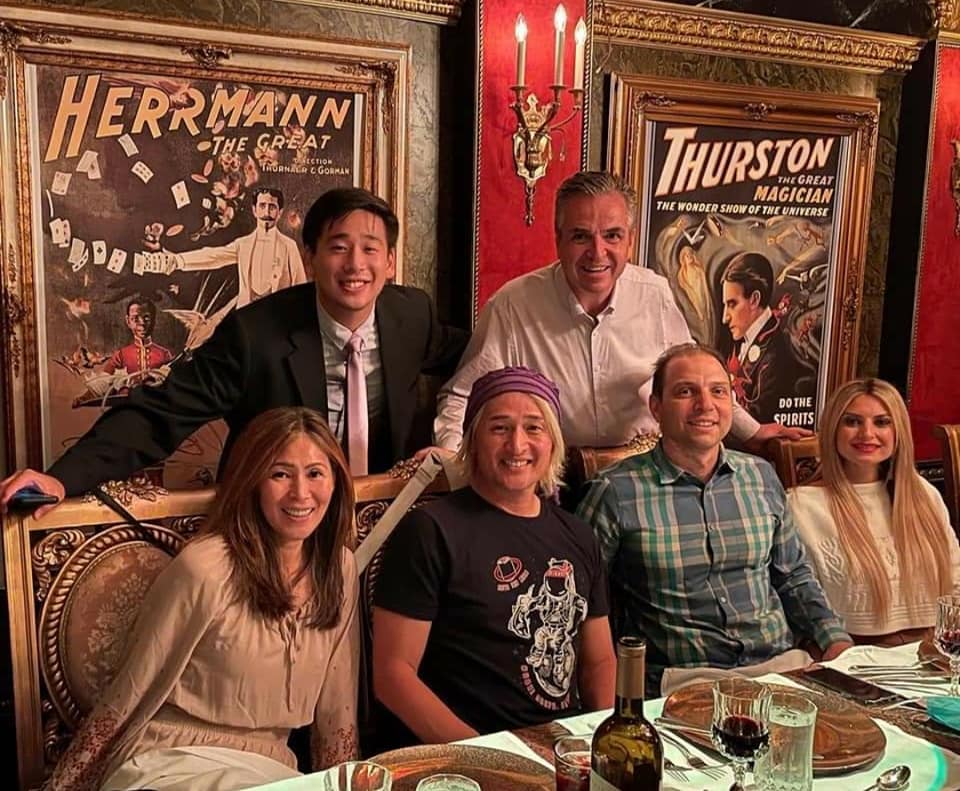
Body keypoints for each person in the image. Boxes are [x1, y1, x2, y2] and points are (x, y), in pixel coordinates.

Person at [1, 187, 469, 511]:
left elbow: (478, 361)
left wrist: (459, 450)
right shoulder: (254, 335)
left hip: (384, 520)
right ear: (309, 258)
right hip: (273, 527)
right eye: (338, 247)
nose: (355, 265)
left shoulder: (411, 316)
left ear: (391, 261)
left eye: (370, 249)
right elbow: (161, 413)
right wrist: (62, 478)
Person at [46, 407, 359, 791]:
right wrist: (69, 784)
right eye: (280, 474)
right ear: (253, 481)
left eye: (315, 473)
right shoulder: (206, 567)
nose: (300, 493)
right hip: (168, 759)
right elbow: (133, 688)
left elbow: (338, 709)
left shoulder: (339, 569)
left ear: (336, 481)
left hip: (269, 771)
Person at [434, 171, 807, 452]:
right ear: (558, 239)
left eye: (611, 235)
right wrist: (451, 460)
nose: (597, 253)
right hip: (550, 482)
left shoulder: (654, 294)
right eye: (581, 236)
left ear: (629, 240)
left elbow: (698, 377)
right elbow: (461, 396)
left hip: (643, 478)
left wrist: (751, 432)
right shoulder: (513, 304)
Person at [576, 343, 852, 695]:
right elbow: (583, 602)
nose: (705, 404)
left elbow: (793, 576)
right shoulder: (614, 491)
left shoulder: (761, 476)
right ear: (656, 407)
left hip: (781, 669)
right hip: (683, 685)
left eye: (718, 391)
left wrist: (835, 641)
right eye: (685, 391)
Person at [373, 367, 615, 744]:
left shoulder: (578, 535)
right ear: (472, 441)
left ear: (554, 443)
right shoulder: (430, 531)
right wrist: (488, 754)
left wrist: (603, 741)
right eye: (499, 428)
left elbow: (599, 661)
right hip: (466, 751)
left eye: (534, 428)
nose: (517, 445)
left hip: (565, 748)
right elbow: (393, 676)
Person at [788, 378, 960, 645]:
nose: (867, 434)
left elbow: (956, 576)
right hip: (852, 654)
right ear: (833, 429)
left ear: (898, 430)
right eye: (852, 421)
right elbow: (802, 602)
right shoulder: (801, 505)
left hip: (936, 649)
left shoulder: (923, 493)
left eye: (882, 422)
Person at [171, 186, 307, 308]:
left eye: (272, 207)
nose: (266, 212)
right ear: (254, 210)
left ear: (279, 212)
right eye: (262, 206)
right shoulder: (243, 245)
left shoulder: (289, 247)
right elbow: (213, 256)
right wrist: (177, 261)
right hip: (247, 320)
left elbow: (301, 290)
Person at [721, 251, 796, 424]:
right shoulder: (745, 341)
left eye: (732, 304)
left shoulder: (776, 355)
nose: (725, 318)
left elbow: (758, 421)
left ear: (754, 300)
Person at [102, 296, 173, 385]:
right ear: (128, 321)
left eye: (146, 318)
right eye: (135, 318)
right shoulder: (120, 356)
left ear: (153, 320)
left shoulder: (164, 355)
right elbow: (103, 384)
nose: (142, 323)